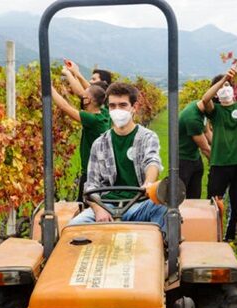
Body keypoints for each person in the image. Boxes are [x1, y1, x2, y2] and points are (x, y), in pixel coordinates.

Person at [68, 82, 166, 229]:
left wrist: (148, 183)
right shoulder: (99, 144)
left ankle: (164, 246)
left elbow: (152, 161)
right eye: (112, 106)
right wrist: (99, 209)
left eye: (122, 105)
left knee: (164, 209)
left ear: (134, 107)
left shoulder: (147, 137)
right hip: (106, 205)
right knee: (74, 227)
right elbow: (91, 185)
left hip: (138, 204)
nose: (117, 110)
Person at [200, 67, 237, 241]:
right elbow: (205, 98)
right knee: (213, 203)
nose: (225, 89)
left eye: (228, 85)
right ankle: (210, 235)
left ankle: (229, 238)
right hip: (219, 163)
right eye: (221, 87)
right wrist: (223, 80)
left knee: (236, 205)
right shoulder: (216, 112)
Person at [52, 66, 110, 202]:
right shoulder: (105, 113)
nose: (82, 97)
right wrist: (70, 73)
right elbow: (86, 92)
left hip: (91, 172)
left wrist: (50, 89)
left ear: (89, 100)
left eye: (85, 96)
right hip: (103, 170)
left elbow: (65, 107)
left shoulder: (92, 120)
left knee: (84, 207)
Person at [178, 99, 211, 198]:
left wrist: (222, 148)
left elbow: (207, 132)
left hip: (195, 158)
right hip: (182, 161)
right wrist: (221, 165)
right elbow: (205, 149)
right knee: (180, 197)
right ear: (210, 103)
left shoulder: (202, 109)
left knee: (195, 196)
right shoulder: (192, 118)